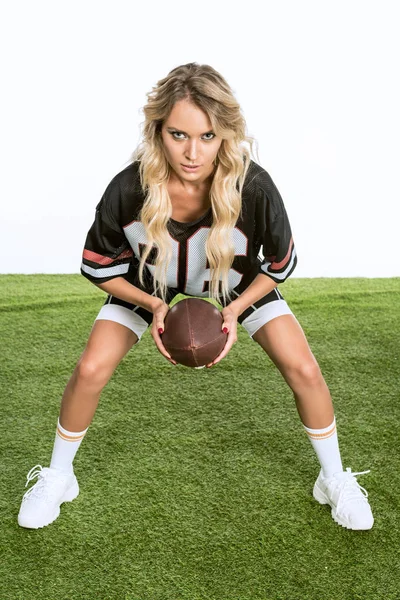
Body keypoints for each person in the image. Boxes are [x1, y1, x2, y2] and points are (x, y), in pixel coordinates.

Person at [18, 62, 373, 531]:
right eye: (178, 134)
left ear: (225, 133)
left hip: (235, 286)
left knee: (304, 367)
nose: (192, 152)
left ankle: (334, 478)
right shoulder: (132, 186)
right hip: (151, 285)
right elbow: (99, 266)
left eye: (207, 136)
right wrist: (154, 305)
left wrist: (235, 310)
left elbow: (278, 265)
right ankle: (59, 476)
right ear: (157, 130)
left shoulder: (254, 186)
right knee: (90, 367)